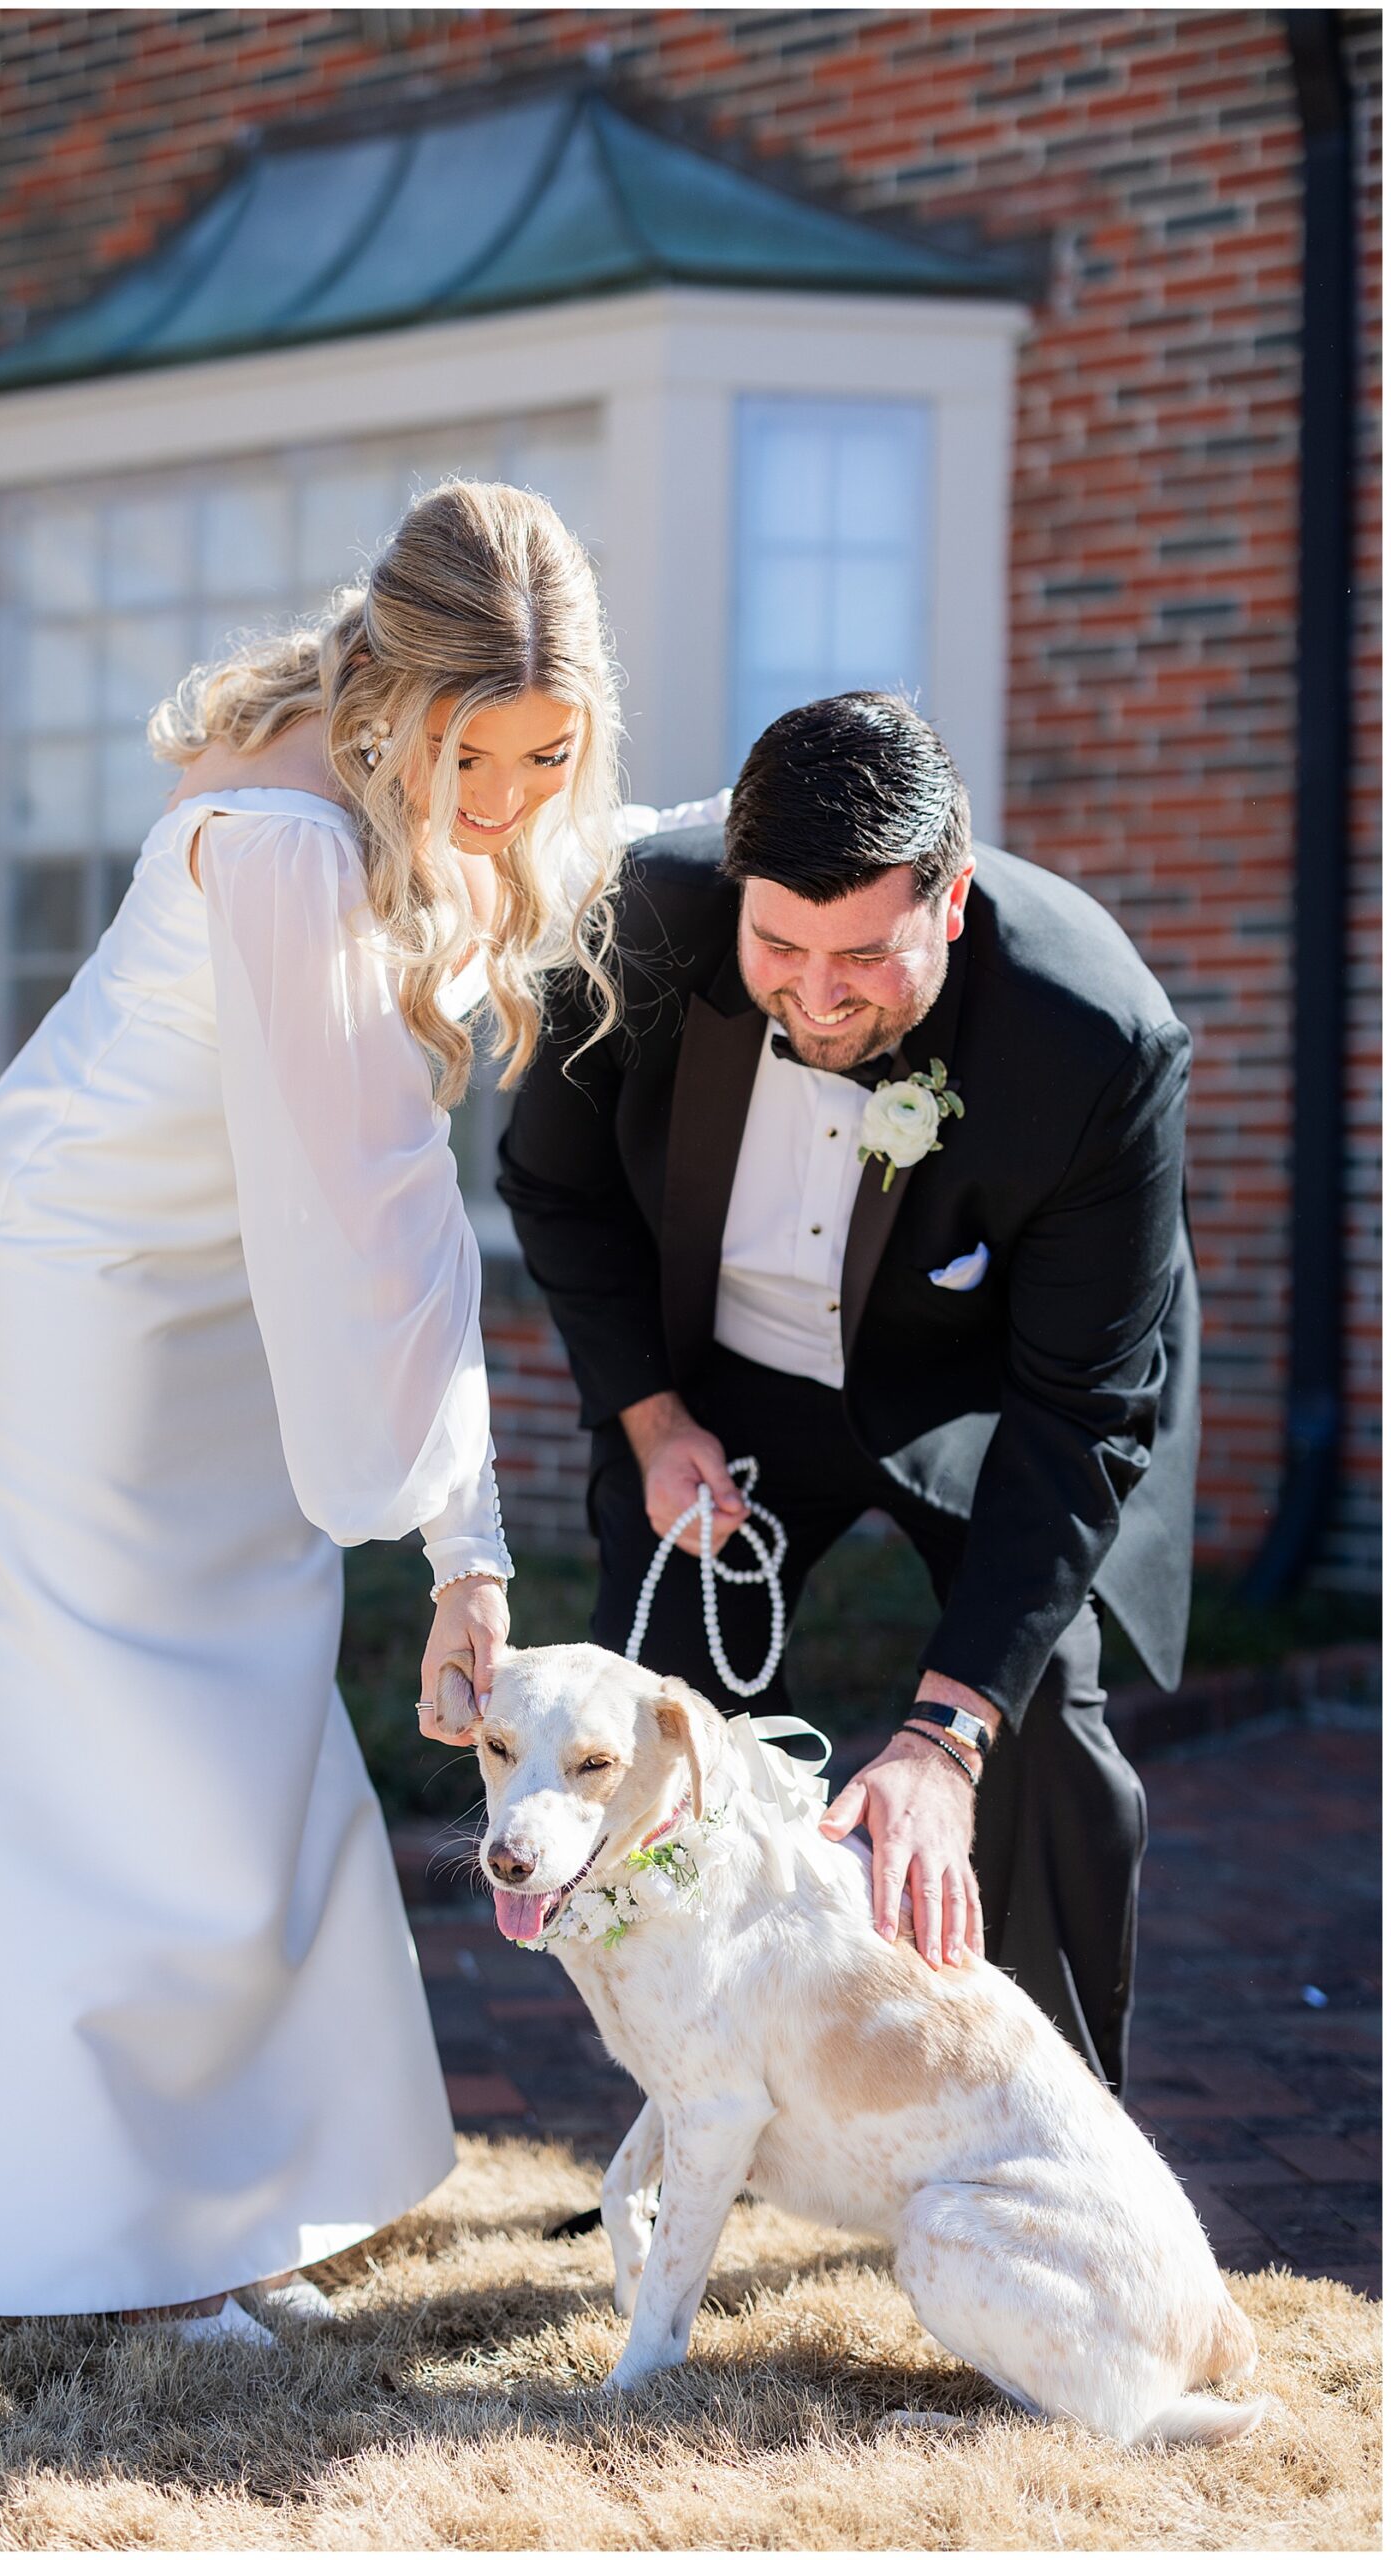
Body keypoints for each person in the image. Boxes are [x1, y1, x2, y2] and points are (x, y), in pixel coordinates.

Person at [0, 479, 653, 2330]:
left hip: (240, 1241)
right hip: (106, 1273)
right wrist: (470, 1548)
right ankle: (107, 2225)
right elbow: (379, 1212)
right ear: (397, 698)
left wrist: (458, 1543)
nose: (515, 804)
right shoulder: (295, 839)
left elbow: (368, 1204)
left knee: (253, 1677)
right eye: (483, 757)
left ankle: (221, 2182)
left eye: (551, 757)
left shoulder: (402, 782)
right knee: (130, 1714)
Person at [499, 692, 1199, 2098]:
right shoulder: (634, 924)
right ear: (735, 895)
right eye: (779, 946)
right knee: (644, 1716)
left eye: (867, 957)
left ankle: (1041, 2134)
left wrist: (943, 1736)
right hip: (717, 1393)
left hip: (987, 1398)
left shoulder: (1096, 1041)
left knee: (1039, 1723)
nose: (819, 998)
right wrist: (650, 1419)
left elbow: (1085, 1411)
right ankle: (688, 2107)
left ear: (953, 899)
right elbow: (555, 1186)